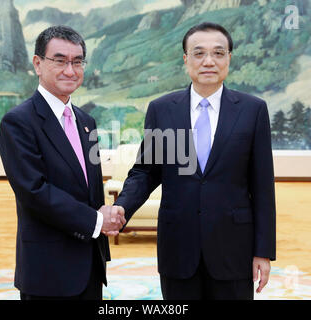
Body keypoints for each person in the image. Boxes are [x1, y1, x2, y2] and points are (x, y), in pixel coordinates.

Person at [113, 22, 276, 300]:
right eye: (199, 53)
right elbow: (146, 171)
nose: (209, 61)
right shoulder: (162, 110)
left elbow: (262, 186)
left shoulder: (253, 110)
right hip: (178, 247)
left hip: (233, 248)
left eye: (218, 53)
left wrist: (263, 251)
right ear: (186, 60)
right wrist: (121, 208)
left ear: (229, 59)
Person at [0, 25, 125, 300]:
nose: (70, 70)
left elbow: (90, 189)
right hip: (49, 271)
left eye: (77, 61)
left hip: (90, 265)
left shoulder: (86, 122)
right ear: (37, 64)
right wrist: (96, 220)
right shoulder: (19, 122)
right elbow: (35, 191)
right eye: (60, 60)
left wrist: (104, 213)